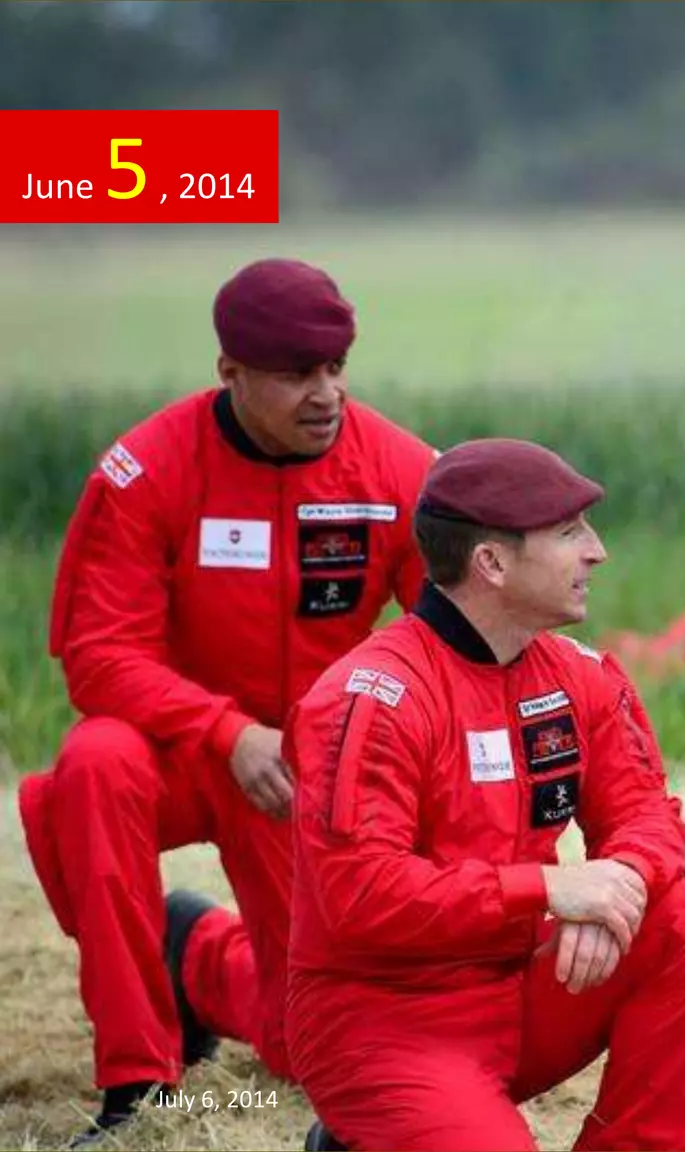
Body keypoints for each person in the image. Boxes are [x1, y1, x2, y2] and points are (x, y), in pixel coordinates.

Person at [18, 258, 435, 1142]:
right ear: (231, 375)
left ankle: (196, 954)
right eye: (295, 375)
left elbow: (453, 643)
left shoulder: (399, 470)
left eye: (336, 368)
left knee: (299, 1046)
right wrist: (226, 729)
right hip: (180, 754)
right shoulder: (146, 471)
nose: (325, 394)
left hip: (302, 775)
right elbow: (98, 658)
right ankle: (138, 1083)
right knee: (94, 761)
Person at [283, 439, 685, 1151]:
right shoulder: (373, 699)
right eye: (569, 533)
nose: (596, 551)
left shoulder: (577, 675)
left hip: (521, 988)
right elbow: (361, 897)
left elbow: (647, 817)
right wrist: (550, 889)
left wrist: (617, 886)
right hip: (385, 1022)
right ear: (492, 564)